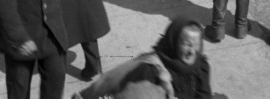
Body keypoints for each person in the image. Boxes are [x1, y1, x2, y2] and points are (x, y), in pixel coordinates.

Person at [75, 17, 211, 99]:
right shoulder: (149, 70)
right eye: (186, 44)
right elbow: (109, 80)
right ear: (173, 42)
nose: (192, 52)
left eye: (196, 45)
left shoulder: (201, 67)